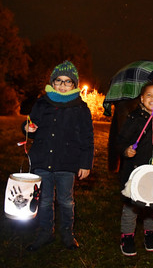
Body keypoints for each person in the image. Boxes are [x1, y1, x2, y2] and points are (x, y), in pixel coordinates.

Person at [23, 61, 94, 251]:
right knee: (44, 200)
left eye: (68, 82)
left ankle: (67, 233)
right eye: (59, 81)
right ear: (52, 83)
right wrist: (28, 128)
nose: (63, 85)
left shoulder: (80, 108)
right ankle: (45, 232)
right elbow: (31, 125)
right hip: (42, 160)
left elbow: (87, 137)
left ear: (74, 85)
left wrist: (85, 163)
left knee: (65, 200)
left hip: (67, 163)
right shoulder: (42, 103)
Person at [117, 82, 153, 256]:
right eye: (149, 95)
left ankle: (150, 234)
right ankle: (127, 236)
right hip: (134, 170)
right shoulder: (135, 117)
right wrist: (126, 150)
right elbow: (120, 140)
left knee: (152, 205)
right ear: (142, 99)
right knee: (131, 205)